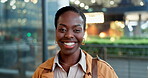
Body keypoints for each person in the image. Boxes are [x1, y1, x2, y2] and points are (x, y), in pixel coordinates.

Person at [32, 6, 118, 78]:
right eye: (62, 29)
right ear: (56, 31)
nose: (69, 35)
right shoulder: (41, 72)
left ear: (84, 32)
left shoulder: (104, 71)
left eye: (76, 30)